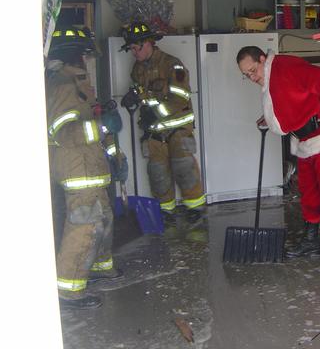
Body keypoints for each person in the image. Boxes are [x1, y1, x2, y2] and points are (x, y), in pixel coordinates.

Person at [236, 46, 320, 272]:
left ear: (263, 59)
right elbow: (291, 101)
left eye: (253, 70)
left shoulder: (285, 67)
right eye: (247, 75)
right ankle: (311, 241)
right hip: (305, 141)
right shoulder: (270, 74)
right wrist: (270, 119)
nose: (252, 77)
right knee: (309, 191)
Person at [45, 27, 124, 309]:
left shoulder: (78, 82)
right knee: (84, 227)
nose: (87, 58)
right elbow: (63, 133)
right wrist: (103, 126)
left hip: (92, 168)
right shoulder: (62, 86)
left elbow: (95, 122)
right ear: (72, 55)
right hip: (78, 171)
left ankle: (100, 268)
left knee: (102, 220)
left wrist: (117, 158)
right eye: (84, 54)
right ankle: (69, 289)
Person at [120, 23, 205, 225]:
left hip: (177, 129)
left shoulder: (172, 64)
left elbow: (181, 98)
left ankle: (196, 209)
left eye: (136, 48)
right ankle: (165, 211)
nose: (133, 53)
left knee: (184, 169)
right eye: (130, 49)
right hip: (154, 132)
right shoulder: (137, 69)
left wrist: (155, 113)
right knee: (157, 172)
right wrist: (133, 96)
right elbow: (141, 93)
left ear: (148, 43)